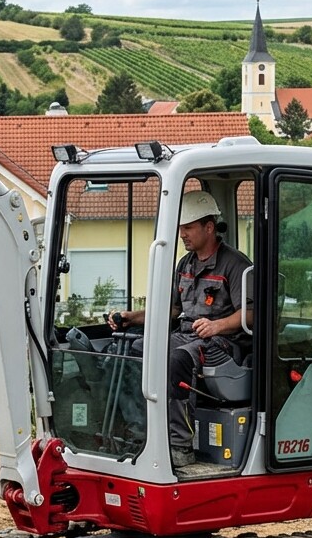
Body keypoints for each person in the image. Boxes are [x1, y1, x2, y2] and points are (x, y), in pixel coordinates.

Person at [107, 191, 252, 469]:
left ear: (208, 227)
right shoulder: (185, 264)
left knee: (178, 360)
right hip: (188, 335)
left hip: (223, 343)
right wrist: (130, 317)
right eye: (180, 228)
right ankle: (142, 432)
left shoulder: (234, 264)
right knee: (138, 349)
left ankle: (179, 445)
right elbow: (171, 310)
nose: (182, 234)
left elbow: (252, 314)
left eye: (188, 227)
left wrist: (216, 325)